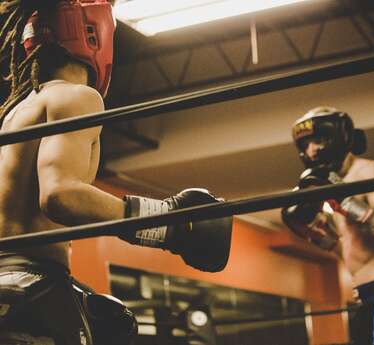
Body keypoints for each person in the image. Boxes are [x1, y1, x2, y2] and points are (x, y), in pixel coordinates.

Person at [0, 1, 232, 344]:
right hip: (36, 288)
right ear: (96, 34)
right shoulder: (78, 98)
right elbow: (60, 194)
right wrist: (167, 223)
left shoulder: (14, 114)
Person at [282, 106, 374, 345]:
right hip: (365, 300)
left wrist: (348, 201)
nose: (311, 150)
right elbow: (353, 252)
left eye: (318, 140)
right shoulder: (334, 183)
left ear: (339, 137)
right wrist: (320, 236)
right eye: (304, 145)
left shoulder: (368, 170)